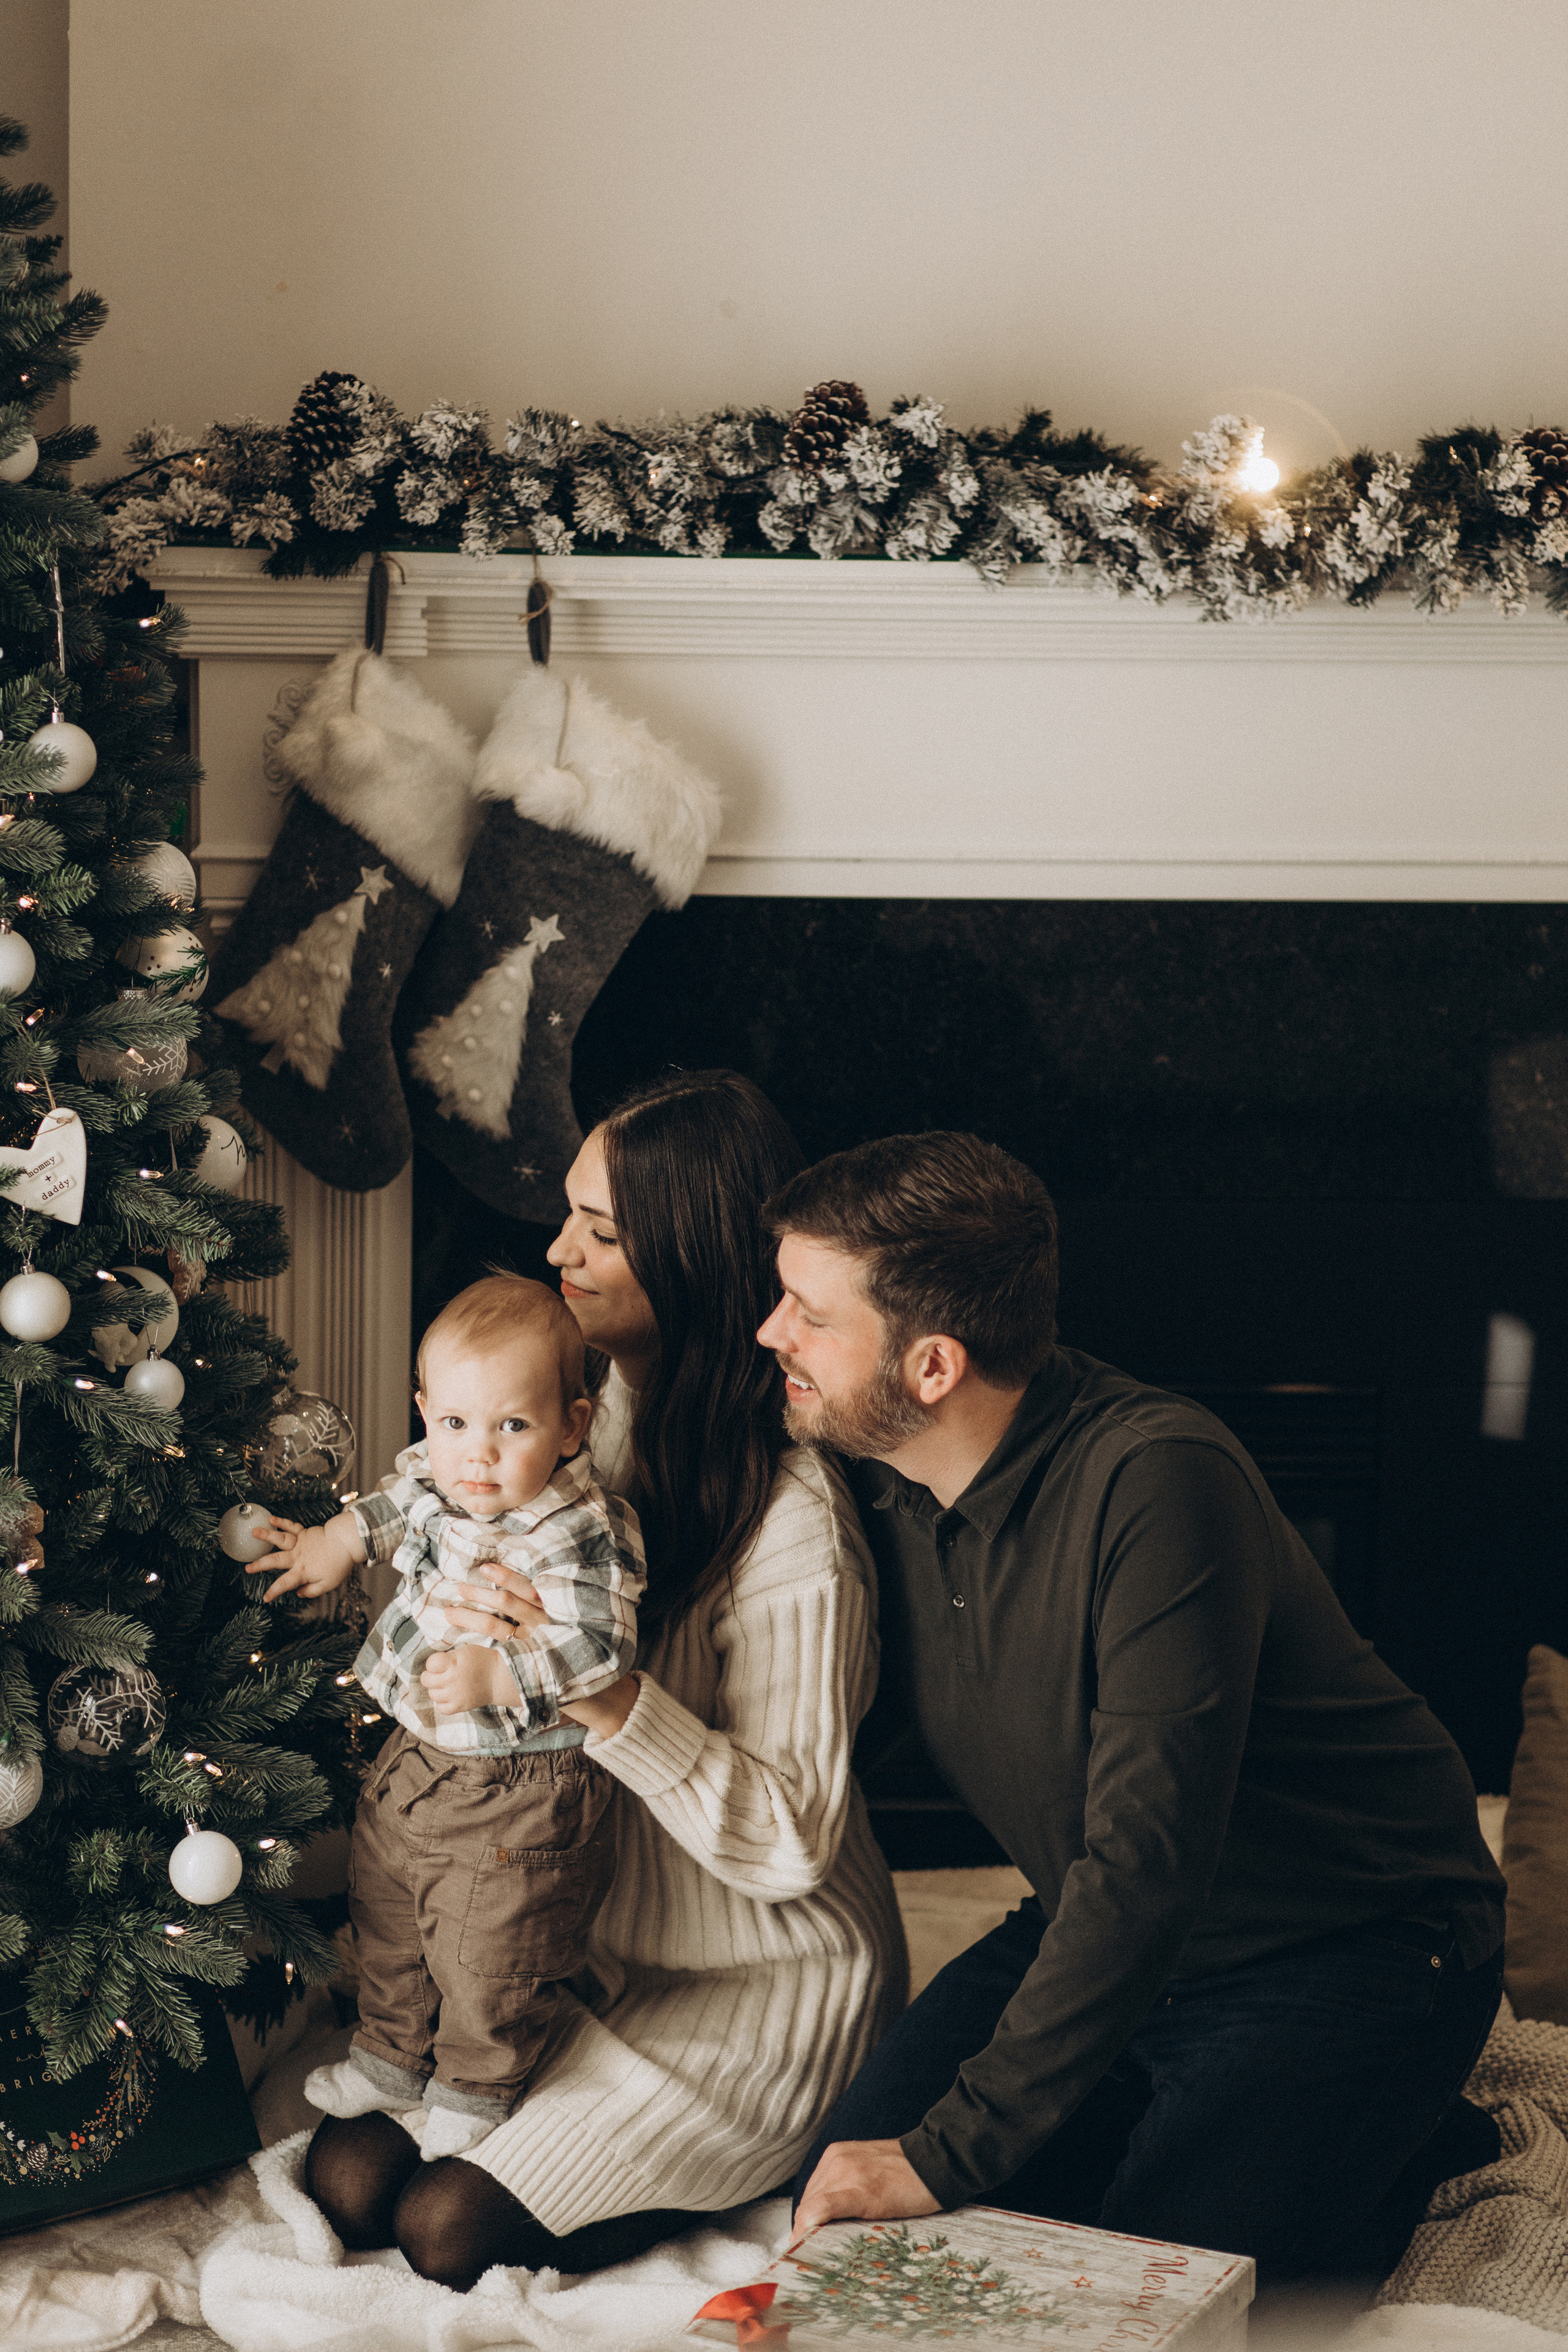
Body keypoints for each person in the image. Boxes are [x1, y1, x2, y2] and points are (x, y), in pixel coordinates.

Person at [763, 1130, 1506, 2286]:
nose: (774, 1335)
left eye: (808, 1314)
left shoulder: (1160, 1481)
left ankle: (1392, 2142)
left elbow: (1146, 1859)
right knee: (859, 2207)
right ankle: (1302, 2139)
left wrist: (956, 2151)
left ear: (934, 1367)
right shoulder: (883, 1471)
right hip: (1102, 1923)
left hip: (1346, 1941)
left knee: (1157, 2283)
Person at [300, 1071, 907, 2290]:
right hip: (559, 1938)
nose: (555, 1248)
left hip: (755, 1985)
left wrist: (592, 1690)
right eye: (569, 1214)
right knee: (349, 2182)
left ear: (690, 1257)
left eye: (601, 1232)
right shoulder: (561, 1415)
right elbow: (428, 1523)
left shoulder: (791, 1525)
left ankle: (736, 2151)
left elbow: (790, 1843)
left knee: (440, 2228)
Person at [251, 1273, 645, 2161]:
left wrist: (502, 1677)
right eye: (456, 1423)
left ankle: (479, 2078)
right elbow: (396, 1503)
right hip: (419, 1753)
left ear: (572, 1425)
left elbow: (602, 1649)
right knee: (388, 1905)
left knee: (490, 1944)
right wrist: (333, 1545)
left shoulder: (581, 1528)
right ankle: (392, 2052)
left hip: (526, 1783)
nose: (478, 1455)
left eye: (514, 1427)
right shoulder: (444, 1469)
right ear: (426, 1411)